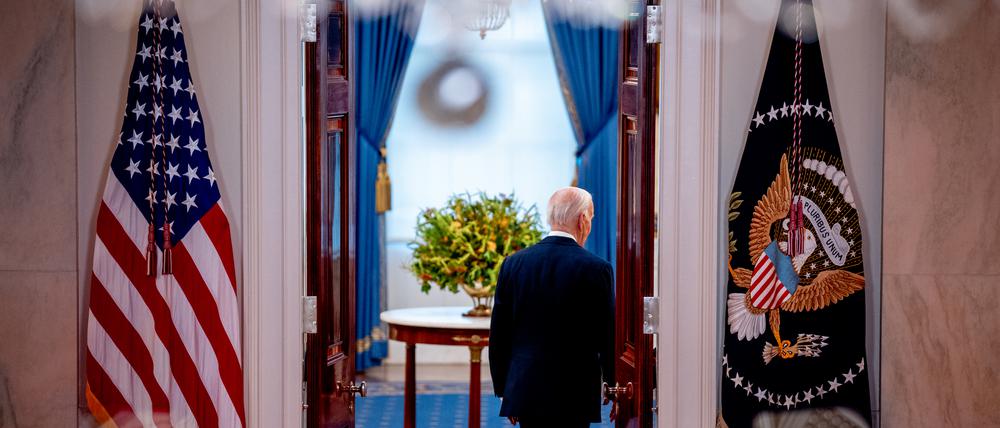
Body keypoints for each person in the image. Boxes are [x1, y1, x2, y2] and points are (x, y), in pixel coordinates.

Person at [489, 187, 616, 427]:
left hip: (526, 388)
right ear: (583, 220)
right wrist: (612, 385)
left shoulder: (513, 264)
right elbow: (606, 334)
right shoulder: (597, 268)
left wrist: (508, 391)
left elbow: (500, 334)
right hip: (575, 392)